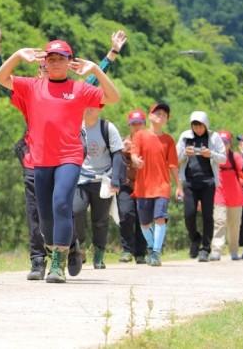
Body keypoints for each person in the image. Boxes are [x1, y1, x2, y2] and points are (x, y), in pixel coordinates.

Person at [0, 23, 122, 280]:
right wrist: (16, 55)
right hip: (40, 159)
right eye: (51, 58)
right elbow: (0, 78)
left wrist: (96, 67)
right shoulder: (31, 87)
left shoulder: (80, 89)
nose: (56, 62)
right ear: (44, 62)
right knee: (45, 216)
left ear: (70, 62)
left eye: (62, 58)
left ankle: (57, 263)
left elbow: (113, 97)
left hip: (69, 157)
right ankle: (58, 248)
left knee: (61, 203)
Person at [72, 109, 125, 270]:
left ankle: (99, 254)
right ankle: (79, 246)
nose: (88, 109)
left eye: (93, 105)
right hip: (81, 178)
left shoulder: (107, 128)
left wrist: (115, 180)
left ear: (99, 107)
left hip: (103, 180)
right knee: (76, 211)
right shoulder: (75, 127)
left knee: (100, 220)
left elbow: (118, 154)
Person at [129, 101, 180, 267]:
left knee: (160, 218)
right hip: (143, 186)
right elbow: (134, 154)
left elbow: (173, 164)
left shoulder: (169, 140)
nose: (161, 116)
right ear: (150, 116)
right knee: (144, 223)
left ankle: (156, 252)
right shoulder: (140, 135)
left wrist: (179, 185)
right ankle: (151, 247)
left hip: (162, 186)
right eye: (157, 113)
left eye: (164, 114)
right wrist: (135, 160)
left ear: (167, 119)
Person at [176, 110, 225, 262]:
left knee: (207, 216)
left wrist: (210, 154)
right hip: (189, 181)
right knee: (189, 214)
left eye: (200, 126)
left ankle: (205, 248)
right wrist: (185, 153)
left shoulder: (214, 137)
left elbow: (223, 158)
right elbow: (176, 157)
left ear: (206, 125)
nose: (197, 129)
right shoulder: (185, 136)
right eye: (195, 126)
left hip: (208, 181)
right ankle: (195, 238)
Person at [116, 108, 151, 264]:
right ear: (129, 126)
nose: (136, 127)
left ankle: (140, 253)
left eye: (139, 124)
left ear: (144, 125)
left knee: (143, 219)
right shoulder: (123, 142)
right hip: (126, 184)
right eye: (133, 124)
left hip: (145, 186)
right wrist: (121, 152)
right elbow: (114, 162)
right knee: (125, 215)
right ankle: (126, 250)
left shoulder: (150, 143)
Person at [210, 131, 243, 261]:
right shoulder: (212, 157)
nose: (223, 145)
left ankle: (234, 251)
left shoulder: (235, 157)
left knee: (234, 225)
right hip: (219, 194)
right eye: (220, 142)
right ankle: (216, 250)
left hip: (235, 195)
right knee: (219, 222)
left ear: (230, 144)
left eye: (225, 142)